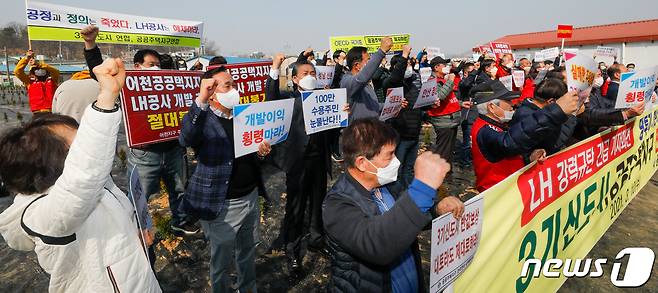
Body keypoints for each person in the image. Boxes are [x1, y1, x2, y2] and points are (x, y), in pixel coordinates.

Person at [0, 58, 161, 292]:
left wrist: (133, 239)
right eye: (78, 143)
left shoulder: (100, 185)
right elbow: (82, 180)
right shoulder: (42, 214)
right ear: (50, 165)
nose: (86, 145)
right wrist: (106, 99)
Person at [323, 117, 464, 293]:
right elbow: (377, 244)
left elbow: (407, 220)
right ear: (362, 163)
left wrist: (436, 209)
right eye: (389, 155)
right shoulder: (337, 205)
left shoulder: (388, 184)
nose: (396, 161)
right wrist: (422, 189)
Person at [80, 25, 195, 234]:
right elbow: (99, 72)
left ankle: (180, 221)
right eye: (151, 64)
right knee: (139, 196)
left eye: (158, 65)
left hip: (173, 150)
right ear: (137, 66)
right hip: (144, 153)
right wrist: (90, 44)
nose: (156, 69)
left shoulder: (168, 84)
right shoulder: (128, 84)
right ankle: (137, 230)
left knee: (178, 189)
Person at [178, 66, 270, 293]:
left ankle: (247, 288)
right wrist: (201, 99)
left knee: (247, 252)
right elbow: (186, 138)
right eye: (227, 86)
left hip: (249, 197)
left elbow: (250, 154)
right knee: (221, 260)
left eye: (234, 84)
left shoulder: (244, 115)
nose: (234, 90)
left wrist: (260, 153)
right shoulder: (203, 119)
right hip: (223, 204)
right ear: (212, 92)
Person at [266, 54, 349, 273]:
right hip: (297, 163)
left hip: (319, 160)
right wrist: (275, 68)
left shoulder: (324, 98)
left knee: (318, 203)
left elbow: (331, 129)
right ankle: (291, 248)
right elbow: (271, 97)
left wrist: (341, 114)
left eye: (313, 73)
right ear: (295, 79)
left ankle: (316, 239)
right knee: (296, 207)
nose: (310, 77)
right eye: (305, 74)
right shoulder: (288, 99)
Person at [470, 79, 581, 192]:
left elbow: (510, 153)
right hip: (497, 193)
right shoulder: (484, 130)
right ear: (492, 107)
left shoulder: (498, 124)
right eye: (507, 101)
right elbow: (508, 144)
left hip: (512, 186)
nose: (512, 104)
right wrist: (555, 111)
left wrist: (529, 157)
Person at [510, 78, 577, 161]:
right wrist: (572, 115)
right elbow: (555, 143)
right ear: (552, 101)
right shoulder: (529, 116)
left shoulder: (532, 110)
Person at [384, 46, 422, 187]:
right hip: (400, 135)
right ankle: (397, 200)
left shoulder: (414, 84)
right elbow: (395, 77)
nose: (409, 68)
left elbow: (420, 105)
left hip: (414, 134)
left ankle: (408, 196)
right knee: (397, 171)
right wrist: (404, 55)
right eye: (406, 65)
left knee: (409, 170)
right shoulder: (391, 83)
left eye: (410, 65)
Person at [426, 56, 468, 175]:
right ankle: (439, 177)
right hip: (443, 122)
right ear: (436, 67)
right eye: (443, 65)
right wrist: (450, 80)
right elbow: (440, 96)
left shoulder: (443, 79)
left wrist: (460, 103)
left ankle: (446, 174)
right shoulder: (432, 81)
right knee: (443, 151)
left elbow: (449, 99)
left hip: (451, 120)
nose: (446, 67)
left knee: (449, 151)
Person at [341, 36, 393, 121]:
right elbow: (361, 79)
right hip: (358, 131)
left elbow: (373, 106)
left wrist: (393, 104)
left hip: (373, 129)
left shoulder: (367, 84)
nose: (371, 64)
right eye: (368, 60)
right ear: (357, 65)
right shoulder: (347, 81)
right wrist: (381, 51)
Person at [14, 50, 60, 114]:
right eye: (36, 69)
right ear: (32, 72)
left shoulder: (53, 80)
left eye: (42, 69)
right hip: (37, 113)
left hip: (51, 112)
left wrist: (39, 64)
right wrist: (27, 58)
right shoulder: (29, 82)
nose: (39, 70)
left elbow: (56, 71)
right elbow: (17, 72)